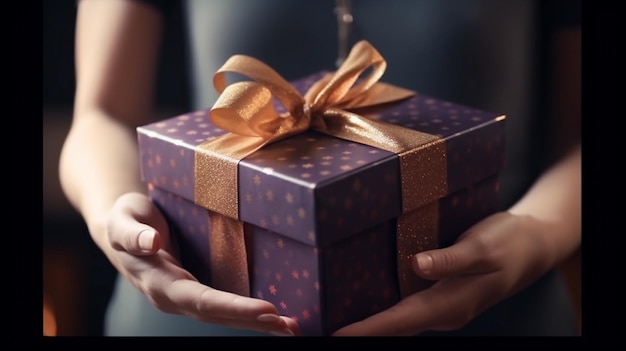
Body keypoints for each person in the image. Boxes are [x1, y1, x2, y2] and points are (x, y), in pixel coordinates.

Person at [59, 0, 581, 336]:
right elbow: (100, 117)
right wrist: (116, 220)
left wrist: (537, 236)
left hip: (499, 310)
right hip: (191, 299)